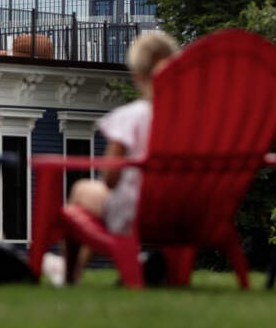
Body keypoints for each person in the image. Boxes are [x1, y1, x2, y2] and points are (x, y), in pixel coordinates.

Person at [44, 29, 182, 286]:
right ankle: (71, 269)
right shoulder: (192, 119)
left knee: (82, 190)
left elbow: (110, 179)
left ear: (138, 76)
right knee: (98, 204)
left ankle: (69, 273)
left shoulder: (134, 116)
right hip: (184, 208)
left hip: (137, 211)